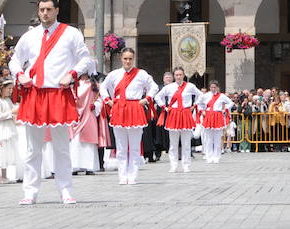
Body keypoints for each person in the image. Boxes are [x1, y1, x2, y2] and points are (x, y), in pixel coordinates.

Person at [7, 0, 93, 204]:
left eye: (48, 9)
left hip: (58, 92)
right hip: (35, 93)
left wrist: (72, 75)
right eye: (41, 10)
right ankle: (30, 191)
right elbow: (15, 61)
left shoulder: (71, 33)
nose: (44, 13)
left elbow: (85, 59)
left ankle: (65, 189)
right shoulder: (29, 36)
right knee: (32, 148)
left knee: (61, 146)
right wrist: (20, 75)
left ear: (57, 10)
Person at [101, 47, 158, 185]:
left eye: (130, 59)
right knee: (120, 146)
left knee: (134, 146)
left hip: (135, 108)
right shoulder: (114, 74)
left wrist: (146, 99)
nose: (128, 61)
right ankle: (122, 175)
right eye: (125, 58)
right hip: (119, 108)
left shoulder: (141, 74)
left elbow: (154, 87)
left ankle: (132, 175)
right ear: (121, 58)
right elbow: (103, 87)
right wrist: (107, 100)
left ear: (134, 59)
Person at [157, 67, 201, 172]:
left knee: (186, 143)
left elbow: (200, 95)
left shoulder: (190, 86)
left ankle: (186, 165)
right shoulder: (169, 87)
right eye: (176, 75)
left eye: (180, 74)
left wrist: (194, 105)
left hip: (186, 113)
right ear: (174, 76)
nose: (178, 77)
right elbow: (158, 97)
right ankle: (173, 165)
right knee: (173, 143)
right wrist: (164, 107)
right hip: (174, 114)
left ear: (184, 75)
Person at [69, 74, 103, 176]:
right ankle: (74, 166)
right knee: (75, 141)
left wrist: (95, 106)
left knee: (88, 142)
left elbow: (99, 100)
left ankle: (89, 166)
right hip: (75, 115)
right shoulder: (73, 85)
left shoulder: (94, 86)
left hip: (88, 115)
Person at [198, 81, 233, 163]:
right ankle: (209, 156)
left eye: (214, 87)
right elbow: (199, 103)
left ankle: (217, 156)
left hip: (218, 116)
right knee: (209, 138)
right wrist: (202, 110)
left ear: (217, 87)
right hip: (208, 116)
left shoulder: (222, 96)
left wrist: (225, 109)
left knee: (217, 138)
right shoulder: (206, 95)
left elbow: (230, 102)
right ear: (209, 88)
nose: (213, 89)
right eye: (211, 87)